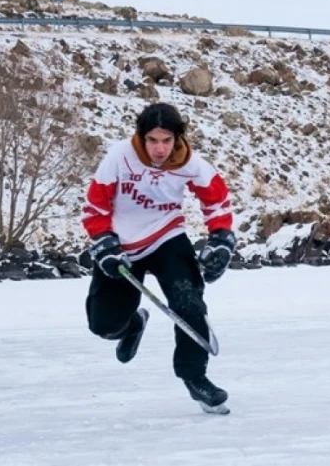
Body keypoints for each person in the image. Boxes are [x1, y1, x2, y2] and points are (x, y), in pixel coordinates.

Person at [81, 102, 237, 412]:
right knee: (104, 325)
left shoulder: (189, 161)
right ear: (141, 137)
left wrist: (221, 239)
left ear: (177, 138)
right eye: (152, 140)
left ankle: (196, 379)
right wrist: (104, 244)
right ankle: (132, 325)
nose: (160, 148)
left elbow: (217, 201)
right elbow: (95, 207)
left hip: (167, 236)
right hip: (122, 245)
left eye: (167, 140)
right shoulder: (119, 157)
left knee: (189, 303)